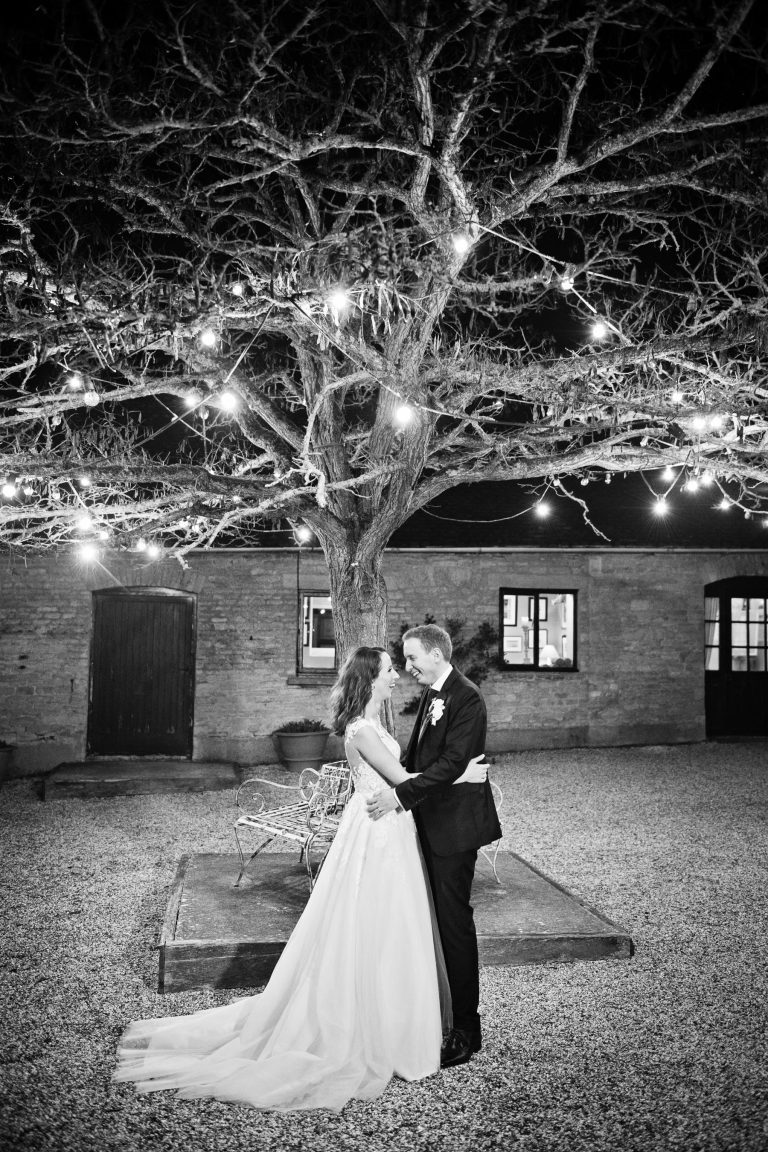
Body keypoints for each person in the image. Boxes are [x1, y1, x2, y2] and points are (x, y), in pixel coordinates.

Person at [114, 645, 487, 1112]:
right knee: (375, 921)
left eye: (400, 666)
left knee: (392, 922)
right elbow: (401, 778)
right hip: (377, 831)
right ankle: (373, 1024)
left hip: (390, 829)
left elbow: (405, 776)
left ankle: (400, 1017)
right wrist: (462, 776)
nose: (397, 676)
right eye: (390, 670)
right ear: (370, 679)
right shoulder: (363, 730)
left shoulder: (378, 724)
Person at [366, 623, 501, 1069]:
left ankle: (466, 1030)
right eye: (404, 661)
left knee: (453, 925)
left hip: (455, 831)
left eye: (413, 659)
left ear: (437, 654)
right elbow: (421, 759)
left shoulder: (466, 698)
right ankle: (436, 1014)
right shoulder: (433, 694)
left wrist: (399, 796)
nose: (408, 668)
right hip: (427, 822)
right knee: (429, 924)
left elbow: (450, 765)